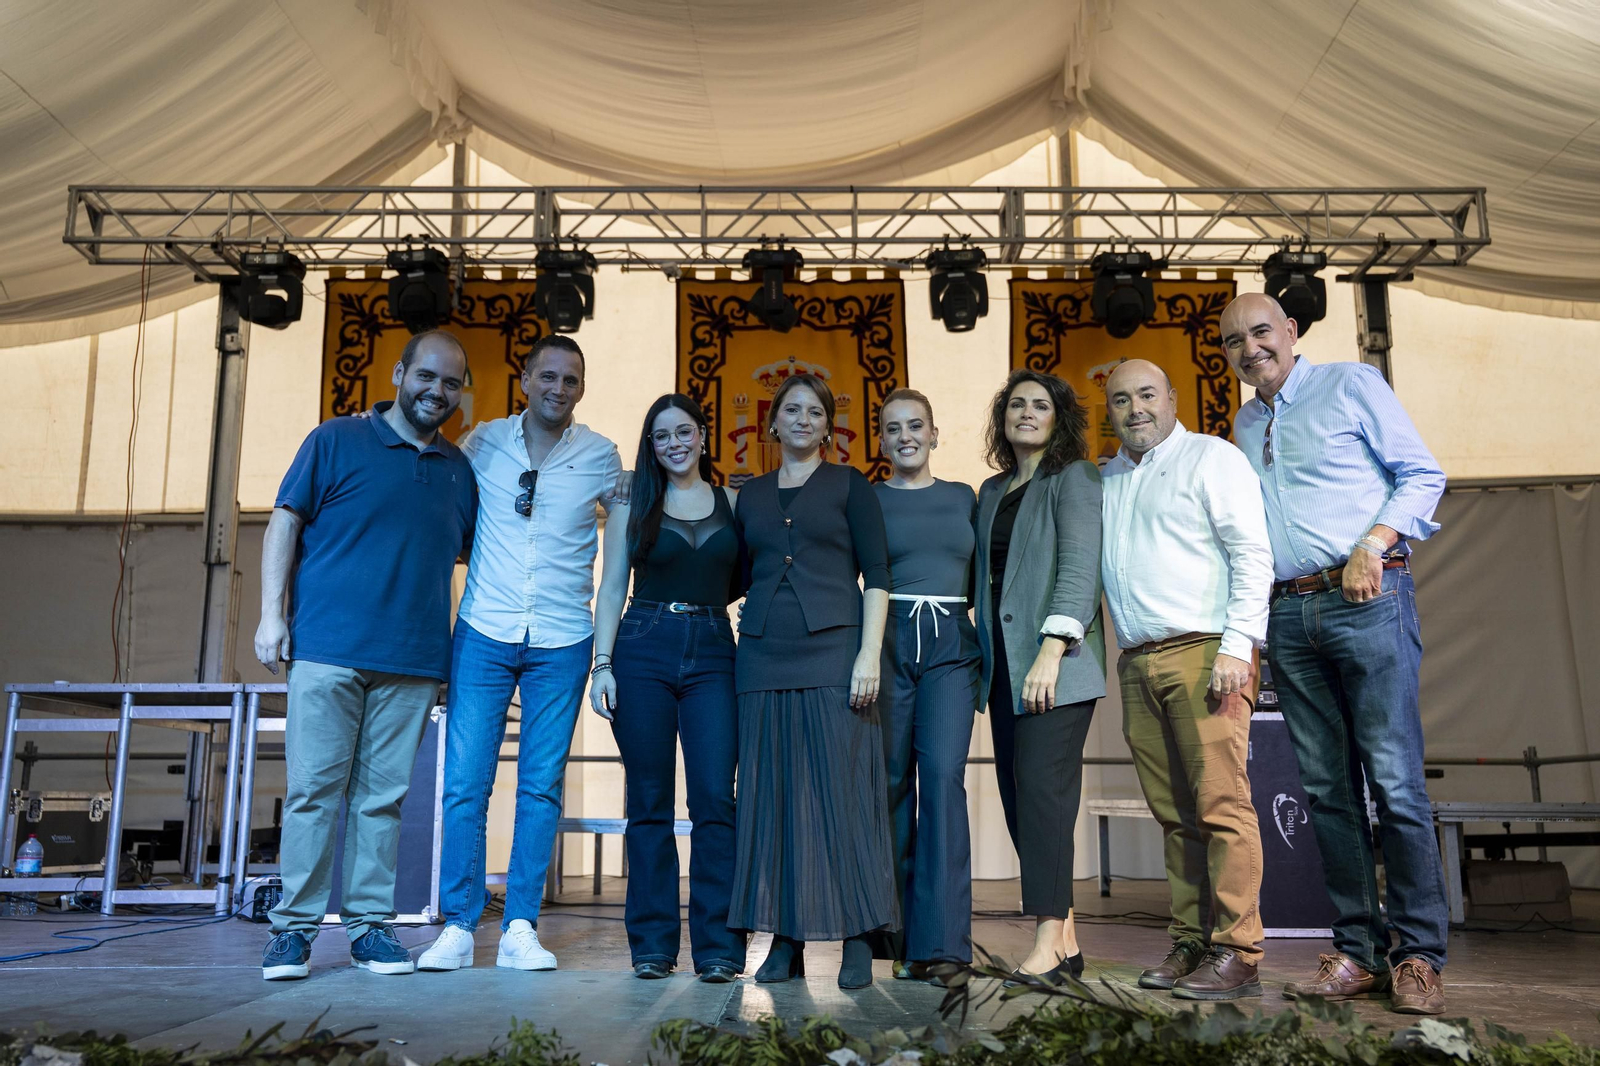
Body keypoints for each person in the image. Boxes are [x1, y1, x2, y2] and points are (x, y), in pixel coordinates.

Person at [1222, 292, 1450, 1015]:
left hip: (1367, 601)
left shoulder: (1351, 383)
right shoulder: (1244, 422)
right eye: (1234, 341)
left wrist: (1371, 546)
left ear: (1291, 331)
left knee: (1395, 783)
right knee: (1326, 792)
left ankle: (1417, 956)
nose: (1250, 347)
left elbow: (1423, 474)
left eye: (1261, 331)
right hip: (1290, 616)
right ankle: (1357, 952)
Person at [256, 330, 476, 981]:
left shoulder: (459, 472)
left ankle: (369, 930)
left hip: (412, 660)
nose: (437, 390)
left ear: (463, 392)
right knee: (313, 793)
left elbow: (467, 558)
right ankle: (293, 932)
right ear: (400, 372)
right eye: (426, 376)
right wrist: (271, 615)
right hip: (326, 650)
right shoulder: (334, 440)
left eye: (451, 382)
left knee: (382, 800)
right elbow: (283, 522)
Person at [417, 335, 623, 974]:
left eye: (571, 380)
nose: (558, 389)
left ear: (581, 389)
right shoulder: (481, 443)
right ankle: (456, 924)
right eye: (548, 376)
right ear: (525, 379)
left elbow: (634, 516)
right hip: (483, 629)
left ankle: (521, 927)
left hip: (564, 639)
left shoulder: (601, 456)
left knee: (540, 787)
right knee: (466, 783)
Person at [1100, 359, 1274, 1000]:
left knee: (1222, 807)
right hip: (1138, 662)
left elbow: (1252, 552)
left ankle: (1239, 951)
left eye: (1147, 394)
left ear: (1172, 398)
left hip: (1206, 652)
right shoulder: (1107, 477)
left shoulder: (1213, 458)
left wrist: (1239, 645)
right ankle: (1191, 942)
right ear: (1109, 410)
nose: (1135, 408)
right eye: (1121, 399)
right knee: (1175, 817)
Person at [729, 372, 896, 989]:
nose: (803, 420)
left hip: (835, 652)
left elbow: (876, 574)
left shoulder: (852, 487)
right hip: (764, 655)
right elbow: (738, 574)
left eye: (816, 413)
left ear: (830, 427)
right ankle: (784, 939)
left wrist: (868, 656)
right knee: (773, 800)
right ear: (772, 423)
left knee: (844, 793)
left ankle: (857, 935)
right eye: (792, 411)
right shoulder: (750, 496)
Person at [589, 393, 745, 983]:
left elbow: (752, 577)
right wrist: (601, 665)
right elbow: (610, 591)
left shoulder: (735, 502)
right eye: (661, 436)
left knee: (714, 800)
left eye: (683, 432)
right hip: (642, 644)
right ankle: (652, 945)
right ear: (650, 447)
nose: (674, 443)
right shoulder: (635, 505)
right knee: (647, 803)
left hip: (713, 647)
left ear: (703, 436)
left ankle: (720, 948)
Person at [974, 369, 1103, 984]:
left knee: (1045, 799)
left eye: (1040, 405)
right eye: (1017, 404)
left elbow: (1079, 567)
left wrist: (1051, 650)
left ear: (1060, 418)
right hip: (1003, 665)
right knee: (1020, 799)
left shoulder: (1072, 477)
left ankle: (1047, 941)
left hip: (1055, 665)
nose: (1027, 412)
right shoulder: (992, 489)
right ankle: (1068, 942)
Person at [873, 388, 980, 978]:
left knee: (942, 779)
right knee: (889, 783)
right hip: (886, 638)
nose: (906, 436)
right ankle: (890, 940)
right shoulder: (867, 500)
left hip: (950, 644)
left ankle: (941, 945)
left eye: (916, 425)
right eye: (894, 428)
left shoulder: (964, 497)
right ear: (882, 439)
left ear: (935, 434)